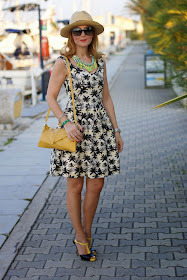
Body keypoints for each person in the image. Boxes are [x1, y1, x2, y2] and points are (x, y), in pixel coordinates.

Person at [46, 11, 123, 262]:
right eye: (77, 31)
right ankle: (80, 236)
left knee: (97, 184)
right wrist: (66, 123)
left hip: (99, 130)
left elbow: (106, 98)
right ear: (71, 35)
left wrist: (116, 129)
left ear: (93, 34)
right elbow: (50, 96)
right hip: (74, 130)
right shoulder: (63, 62)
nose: (82, 35)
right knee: (75, 184)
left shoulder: (100, 61)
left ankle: (87, 232)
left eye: (87, 30)